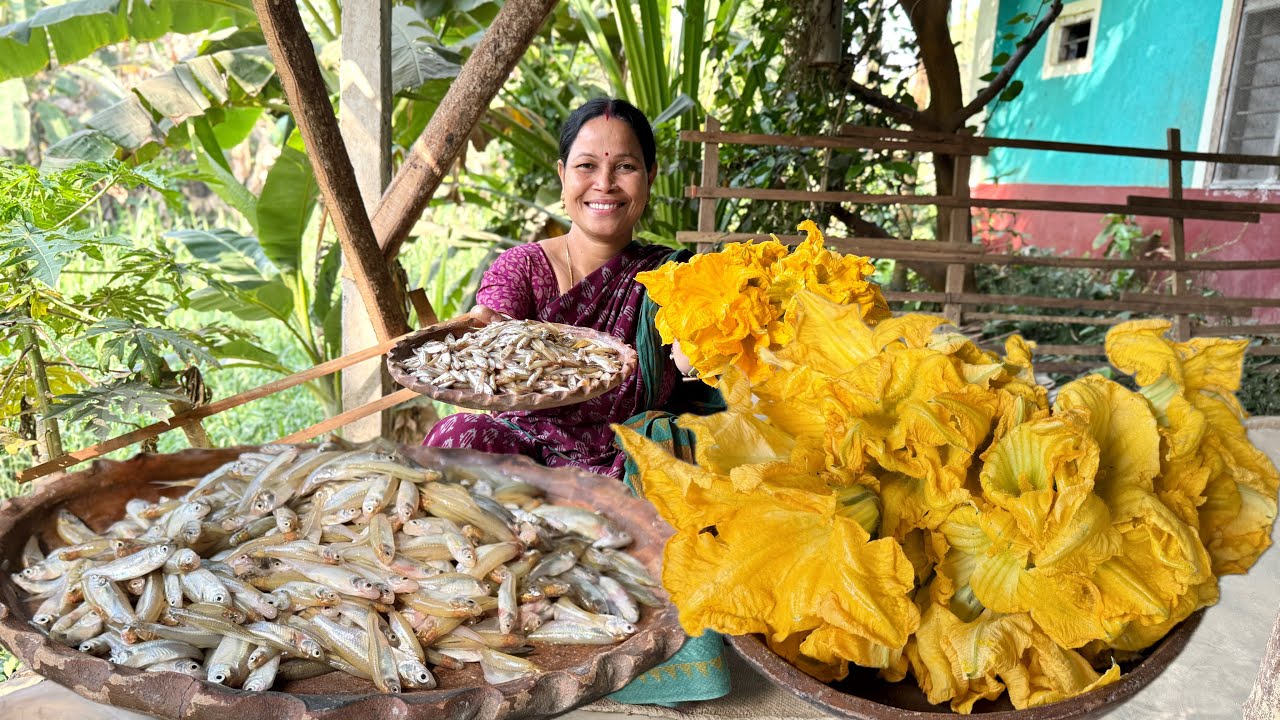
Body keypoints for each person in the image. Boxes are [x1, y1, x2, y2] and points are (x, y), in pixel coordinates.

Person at [423, 98, 708, 478]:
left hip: (628, 455)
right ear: (562, 174)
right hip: (522, 451)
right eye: (587, 166)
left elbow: (700, 362)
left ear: (650, 175)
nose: (604, 183)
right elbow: (492, 333)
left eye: (625, 166)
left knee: (679, 460)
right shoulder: (523, 266)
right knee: (457, 436)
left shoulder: (673, 276)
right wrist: (483, 330)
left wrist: (699, 356)